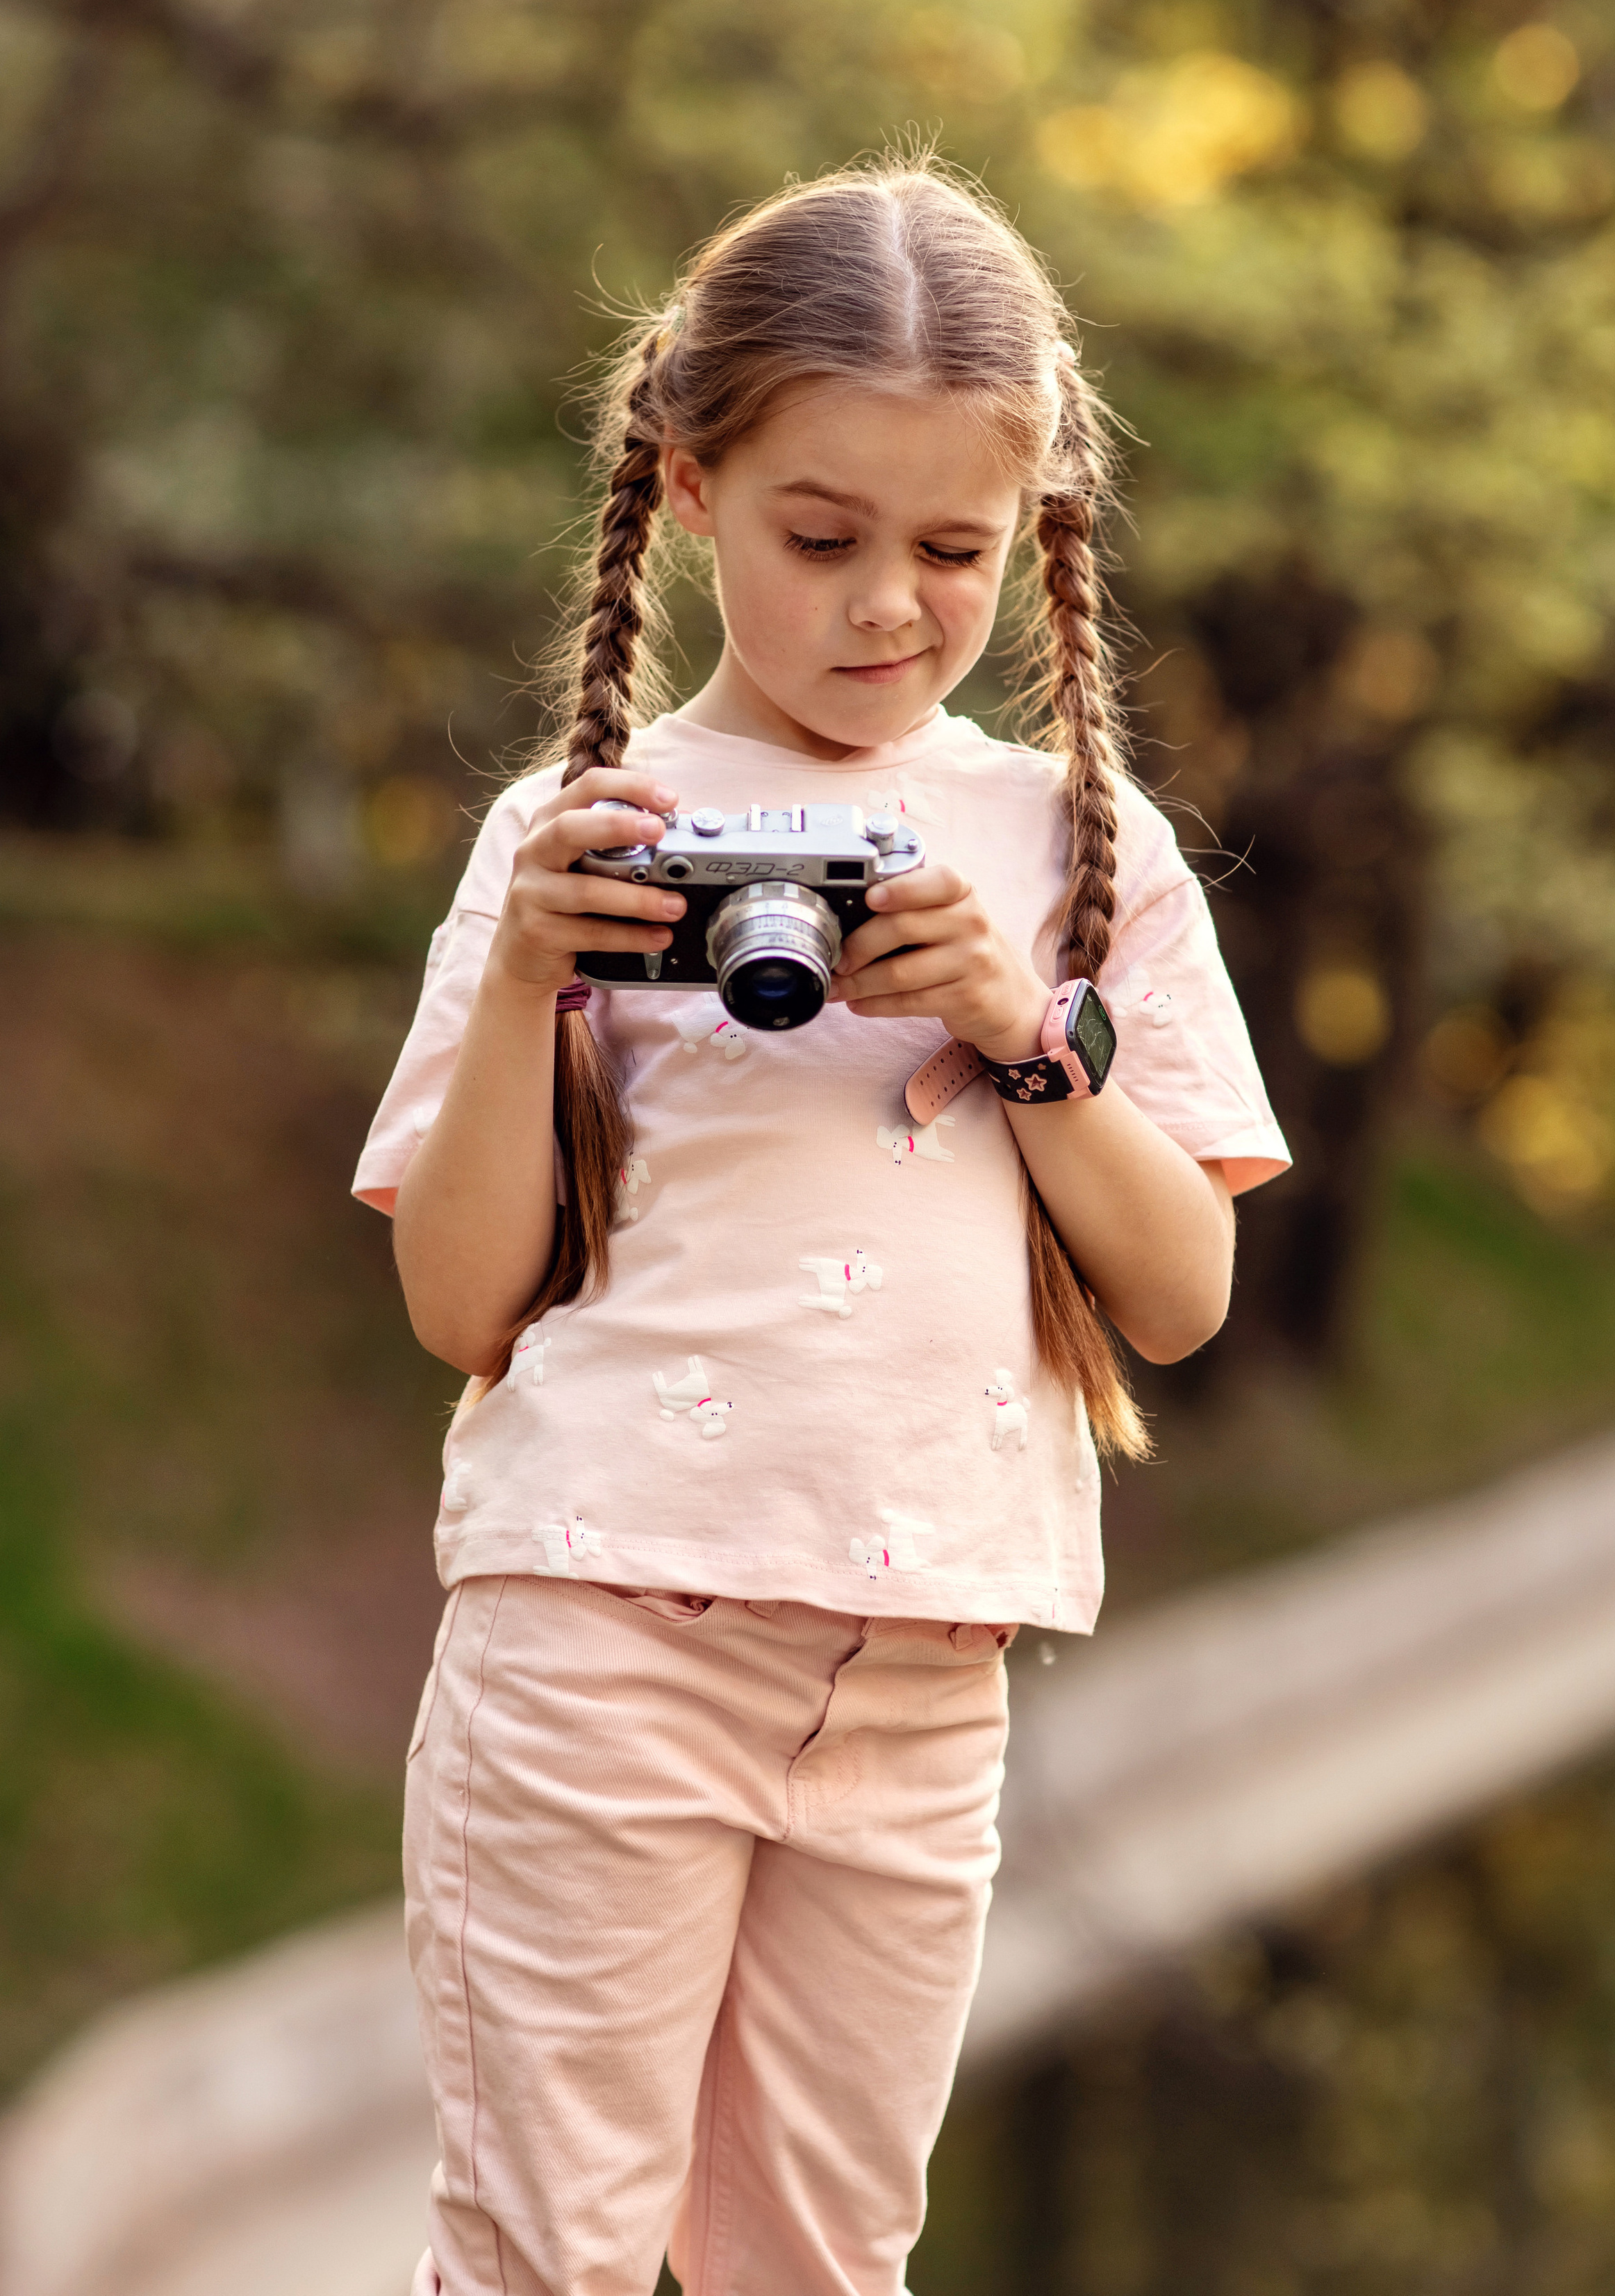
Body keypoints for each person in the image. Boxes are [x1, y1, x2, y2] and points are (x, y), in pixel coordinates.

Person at [354, 156, 1289, 2296]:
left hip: (922, 1671)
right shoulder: (572, 839)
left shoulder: (1078, 847)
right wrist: (526, 976)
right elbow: (456, 1300)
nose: (889, 604)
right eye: (820, 536)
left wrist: (1013, 1026)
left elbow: (1181, 1292)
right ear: (689, 487)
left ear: (1033, 522)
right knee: (546, 2253)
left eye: (954, 549)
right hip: (599, 1635)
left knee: (828, 2261)